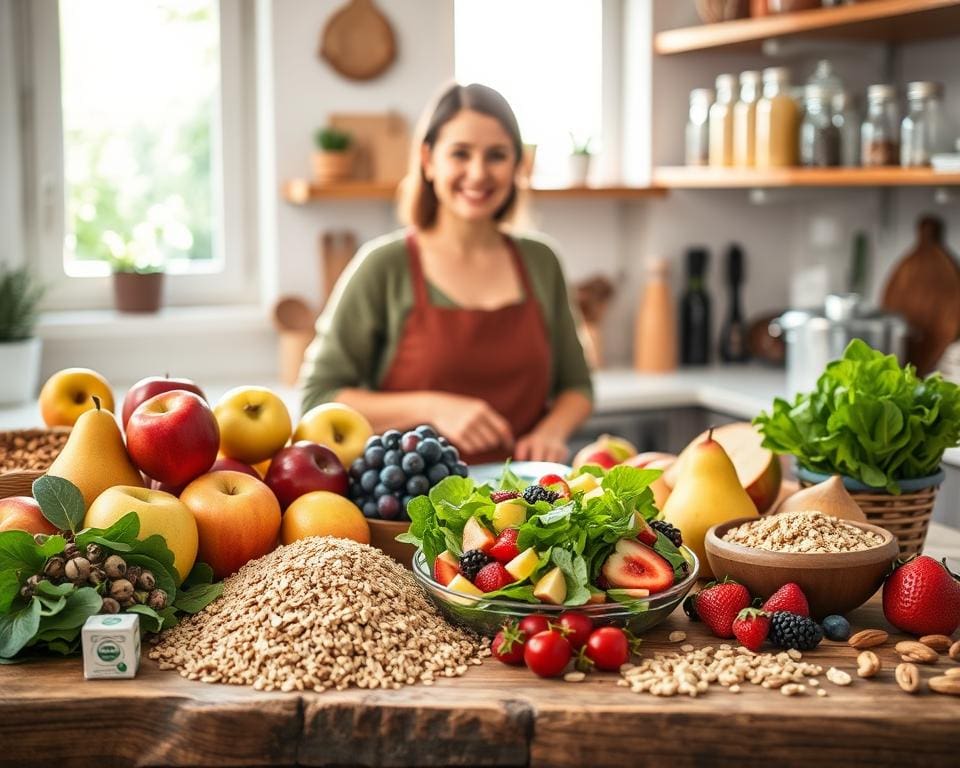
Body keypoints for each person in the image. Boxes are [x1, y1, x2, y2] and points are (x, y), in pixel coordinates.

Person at [300, 83, 593, 465]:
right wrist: (433, 408)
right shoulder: (383, 266)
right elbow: (317, 399)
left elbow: (577, 386)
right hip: (410, 498)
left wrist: (551, 431)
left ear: (517, 165)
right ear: (428, 160)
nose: (478, 173)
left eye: (496, 155)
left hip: (523, 495)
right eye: (460, 153)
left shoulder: (541, 261)